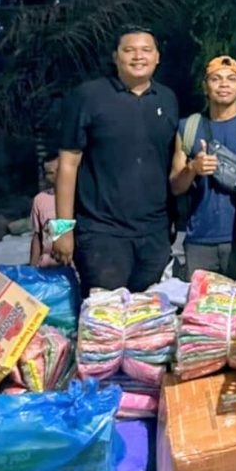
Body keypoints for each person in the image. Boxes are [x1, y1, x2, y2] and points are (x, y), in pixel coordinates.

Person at [53, 26, 179, 294]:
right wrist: (62, 230)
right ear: (115, 56)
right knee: (104, 324)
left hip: (154, 235)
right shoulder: (88, 96)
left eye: (146, 50)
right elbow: (67, 164)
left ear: (157, 57)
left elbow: (171, 165)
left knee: (149, 326)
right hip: (101, 234)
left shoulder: (167, 99)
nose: (138, 56)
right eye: (129, 50)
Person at [170, 55, 236, 279]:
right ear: (205, 86)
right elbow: (175, 186)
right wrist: (192, 168)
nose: (223, 85)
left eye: (231, 79)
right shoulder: (188, 127)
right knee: (201, 310)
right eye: (215, 79)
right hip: (200, 239)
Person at [29, 152, 59, 267]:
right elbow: (37, 236)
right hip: (47, 266)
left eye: (60, 170)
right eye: (50, 173)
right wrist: (32, 269)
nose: (57, 175)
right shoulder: (40, 200)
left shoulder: (81, 198)